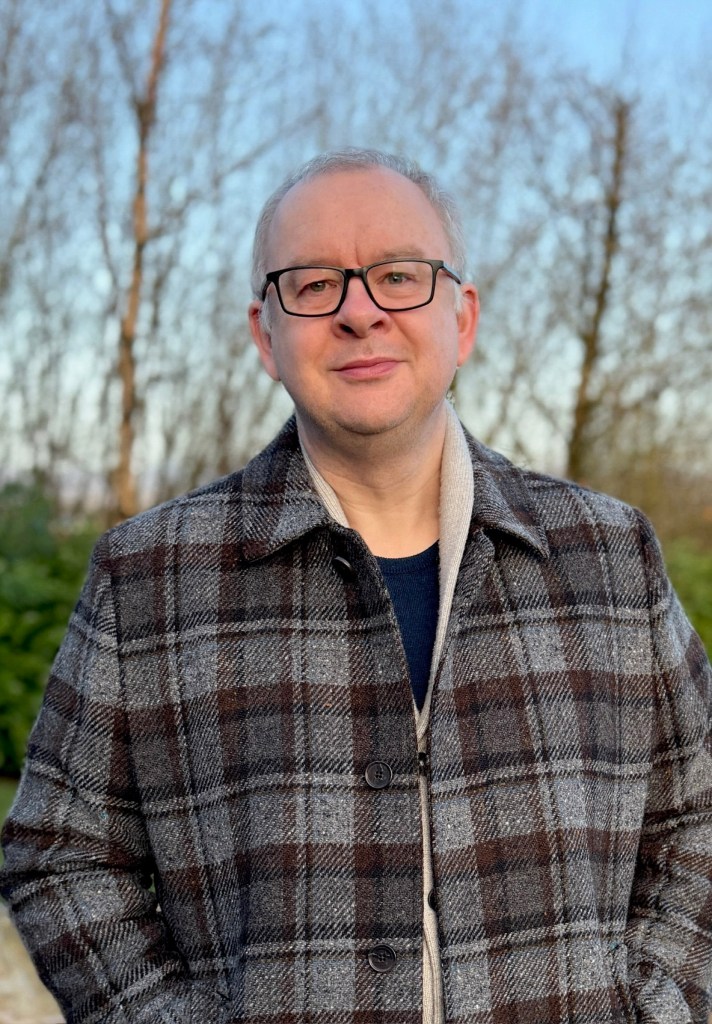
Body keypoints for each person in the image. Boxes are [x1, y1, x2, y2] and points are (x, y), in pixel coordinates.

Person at [1, 148, 711, 1024]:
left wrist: (654, 1007)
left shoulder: (609, 556)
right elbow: (60, 853)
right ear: (266, 334)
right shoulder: (149, 578)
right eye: (314, 284)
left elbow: (698, 814)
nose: (360, 311)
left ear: (463, 318)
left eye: (399, 276)